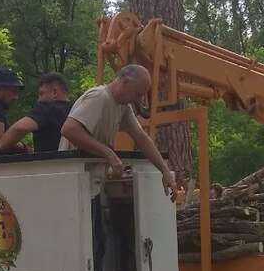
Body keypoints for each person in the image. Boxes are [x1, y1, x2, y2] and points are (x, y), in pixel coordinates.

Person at [58, 63, 176, 196]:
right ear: (125, 81)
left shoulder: (123, 107)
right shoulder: (100, 97)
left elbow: (141, 138)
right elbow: (69, 129)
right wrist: (109, 154)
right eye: (138, 94)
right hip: (72, 181)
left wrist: (164, 171)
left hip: (90, 184)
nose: (139, 100)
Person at [0, 72, 72, 154]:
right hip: (72, 163)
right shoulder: (74, 110)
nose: (39, 100)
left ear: (54, 92)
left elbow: (20, 128)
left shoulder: (47, 108)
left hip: (47, 164)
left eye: (41, 94)